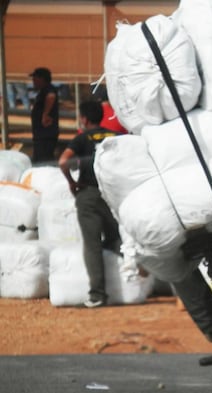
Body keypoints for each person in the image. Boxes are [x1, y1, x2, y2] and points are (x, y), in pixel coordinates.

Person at [58, 100, 123, 308]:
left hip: (89, 194)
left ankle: (97, 294)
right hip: (113, 194)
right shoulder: (116, 137)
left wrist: (72, 182)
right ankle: (140, 269)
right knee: (117, 237)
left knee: (92, 243)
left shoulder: (81, 138)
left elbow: (63, 161)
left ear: (84, 119)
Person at [29, 67, 60, 163]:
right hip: (41, 134)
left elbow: (51, 97)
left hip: (46, 134)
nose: (33, 81)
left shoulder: (49, 89)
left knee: (43, 159)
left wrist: (45, 115)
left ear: (42, 79)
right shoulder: (43, 90)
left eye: (35, 78)